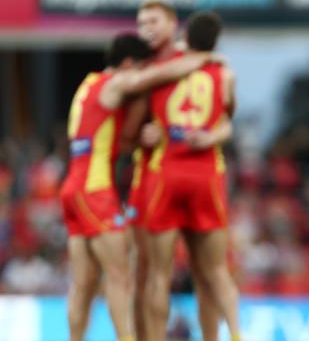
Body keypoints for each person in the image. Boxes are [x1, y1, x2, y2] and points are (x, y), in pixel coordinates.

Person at [60, 34, 212, 341]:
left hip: (73, 189)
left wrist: (136, 139)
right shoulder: (115, 83)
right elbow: (158, 75)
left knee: (84, 283)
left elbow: (104, 135)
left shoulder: (88, 85)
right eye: (139, 68)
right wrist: (199, 59)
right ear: (129, 64)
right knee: (120, 278)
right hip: (95, 189)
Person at [122, 0, 222, 341]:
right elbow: (124, 136)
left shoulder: (199, 64)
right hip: (146, 180)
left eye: (152, 22)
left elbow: (217, 117)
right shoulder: (139, 68)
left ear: (172, 24)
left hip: (188, 178)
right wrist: (139, 137)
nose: (145, 29)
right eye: (140, 23)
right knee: (143, 272)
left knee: (205, 271)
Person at [142, 11, 241, 341]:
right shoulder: (223, 73)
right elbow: (227, 121)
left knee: (159, 273)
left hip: (167, 171)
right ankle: (236, 335)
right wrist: (211, 137)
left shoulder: (161, 69)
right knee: (214, 272)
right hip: (207, 174)